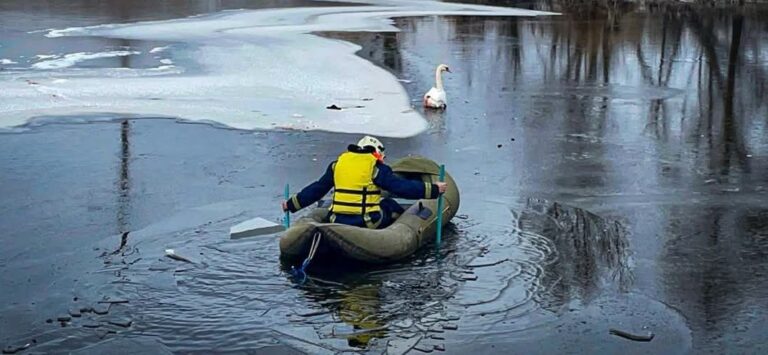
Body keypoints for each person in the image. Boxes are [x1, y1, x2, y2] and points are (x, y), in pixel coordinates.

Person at [281, 135, 448, 229]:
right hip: (365, 222)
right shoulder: (376, 168)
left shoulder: (337, 165)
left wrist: (291, 204)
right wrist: (433, 190)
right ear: (376, 153)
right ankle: (398, 227)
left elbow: (317, 189)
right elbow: (401, 188)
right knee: (389, 204)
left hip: (336, 220)